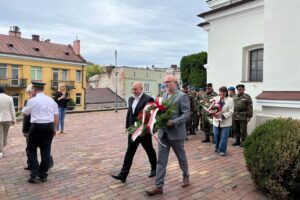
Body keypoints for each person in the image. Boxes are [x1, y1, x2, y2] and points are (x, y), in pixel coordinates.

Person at [146, 75, 190, 196]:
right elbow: (159, 111)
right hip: (163, 133)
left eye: (168, 82)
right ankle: (159, 186)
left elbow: (186, 114)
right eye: (164, 82)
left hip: (176, 133)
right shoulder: (163, 95)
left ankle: (186, 175)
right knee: (161, 160)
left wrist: (174, 122)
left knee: (181, 157)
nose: (166, 84)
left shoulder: (182, 96)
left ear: (175, 82)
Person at [111, 82, 157, 183]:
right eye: (132, 89)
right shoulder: (131, 99)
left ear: (141, 89)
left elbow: (150, 116)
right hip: (133, 131)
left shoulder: (148, 99)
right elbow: (129, 114)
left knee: (149, 150)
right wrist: (127, 127)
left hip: (143, 132)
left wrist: (146, 129)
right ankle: (123, 174)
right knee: (129, 152)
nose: (133, 91)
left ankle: (154, 168)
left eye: (135, 89)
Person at [22, 81, 58, 183]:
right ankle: (43, 175)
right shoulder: (51, 100)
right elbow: (56, 117)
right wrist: (54, 129)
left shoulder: (32, 100)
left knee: (31, 150)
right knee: (46, 151)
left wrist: (30, 98)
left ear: (34, 89)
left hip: (36, 127)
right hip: (49, 126)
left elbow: (25, 114)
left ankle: (35, 174)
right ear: (43, 89)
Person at [212, 87, 234, 156]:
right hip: (216, 121)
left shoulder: (230, 100)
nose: (222, 93)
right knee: (216, 135)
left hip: (226, 122)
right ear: (219, 92)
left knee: (224, 137)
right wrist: (212, 112)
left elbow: (231, 111)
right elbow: (211, 107)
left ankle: (222, 150)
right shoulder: (215, 98)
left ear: (226, 92)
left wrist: (222, 116)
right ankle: (217, 146)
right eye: (221, 91)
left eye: (224, 92)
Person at [0, 86, 16, 158]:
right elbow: (12, 110)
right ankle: (2, 148)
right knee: (5, 135)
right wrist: (14, 120)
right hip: (7, 118)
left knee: (0, 135)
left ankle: (0, 151)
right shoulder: (9, 98)